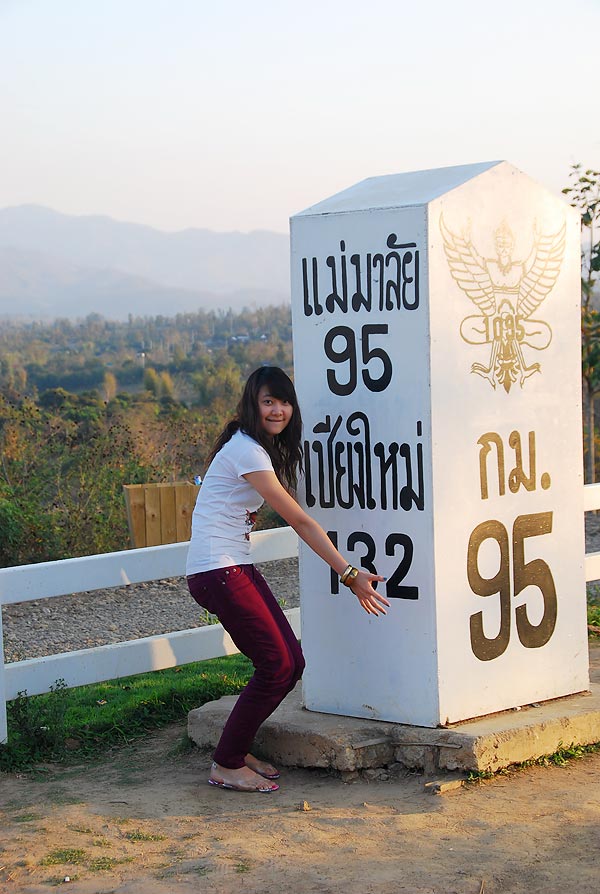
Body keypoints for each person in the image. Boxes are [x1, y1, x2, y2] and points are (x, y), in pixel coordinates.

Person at [186, 365, 389, 793]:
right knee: (277, 664)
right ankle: (226, 763)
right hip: (217, 569)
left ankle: (235, 749)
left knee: (290, 662)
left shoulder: (253, 449)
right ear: (252, 405)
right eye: (268, 402)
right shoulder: (247, 452)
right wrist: (349, 573)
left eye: (284, 402)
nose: (277, 410)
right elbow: (299, 520)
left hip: (231, 566)